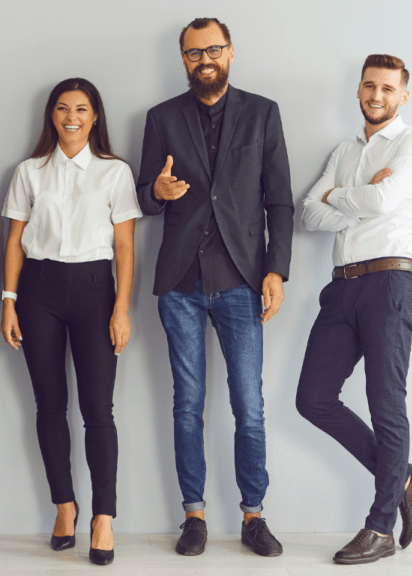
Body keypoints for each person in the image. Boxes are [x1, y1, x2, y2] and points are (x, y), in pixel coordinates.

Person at [135, 17, 293, 557]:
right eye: (194, 51)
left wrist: (276, 270)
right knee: (188, 403)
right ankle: (194, 516)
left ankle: (254, 515)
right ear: (183, 59)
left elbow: (279, 201)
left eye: (214, 49)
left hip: (243, 279)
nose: (205, 58)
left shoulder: (263, 113)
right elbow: (144, 196)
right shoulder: (161, 118)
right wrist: (156, 190)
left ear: (230, 52)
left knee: (249, 405)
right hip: (180, 280)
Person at [296, 54, 412, 565]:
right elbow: (310, 214)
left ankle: (380, 529)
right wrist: (354, 194)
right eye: (368, 86)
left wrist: (340, 198)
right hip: (341, 289)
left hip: (391, 283)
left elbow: (384, 202)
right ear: (358, 91)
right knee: (312, 397)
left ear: (402, 95)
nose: (376, 96)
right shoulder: (344, 149)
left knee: (385, 400)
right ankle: (404, 476)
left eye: (386, 88)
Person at [0, 78, 141, 566]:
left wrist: (121, 308)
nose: (71, 117)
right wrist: (9, 301)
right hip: (38, 291)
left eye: (81, 109)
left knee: (98, 409)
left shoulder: (115, 172)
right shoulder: (29, 171)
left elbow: (125, 246)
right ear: (51, 116)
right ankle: (65, 506)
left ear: (96, 115)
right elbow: (14, 241)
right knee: (48, 407)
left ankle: (103, 517)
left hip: (95, 291)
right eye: (62, 108)